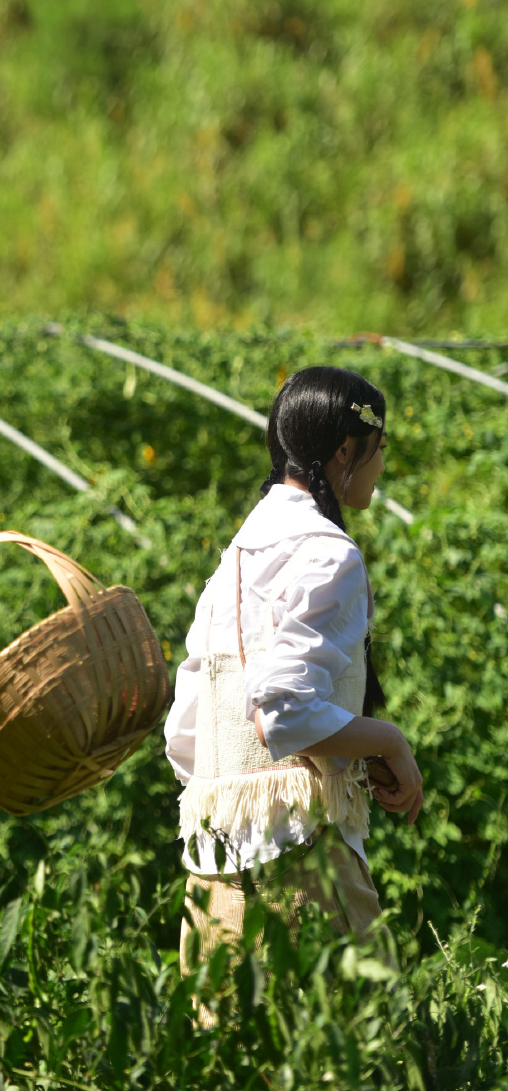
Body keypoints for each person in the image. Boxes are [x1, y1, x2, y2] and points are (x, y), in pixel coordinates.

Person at [164, 365, 424, 968]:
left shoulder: (231, 561)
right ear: (344, 451)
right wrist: (388, 741)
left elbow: (184, 735)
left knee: (227, 1055)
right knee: (365, 1052)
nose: (382, 465)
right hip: (304, 868)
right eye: (379, 448)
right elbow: (282, 714)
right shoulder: (330, 555)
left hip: (212, 880)